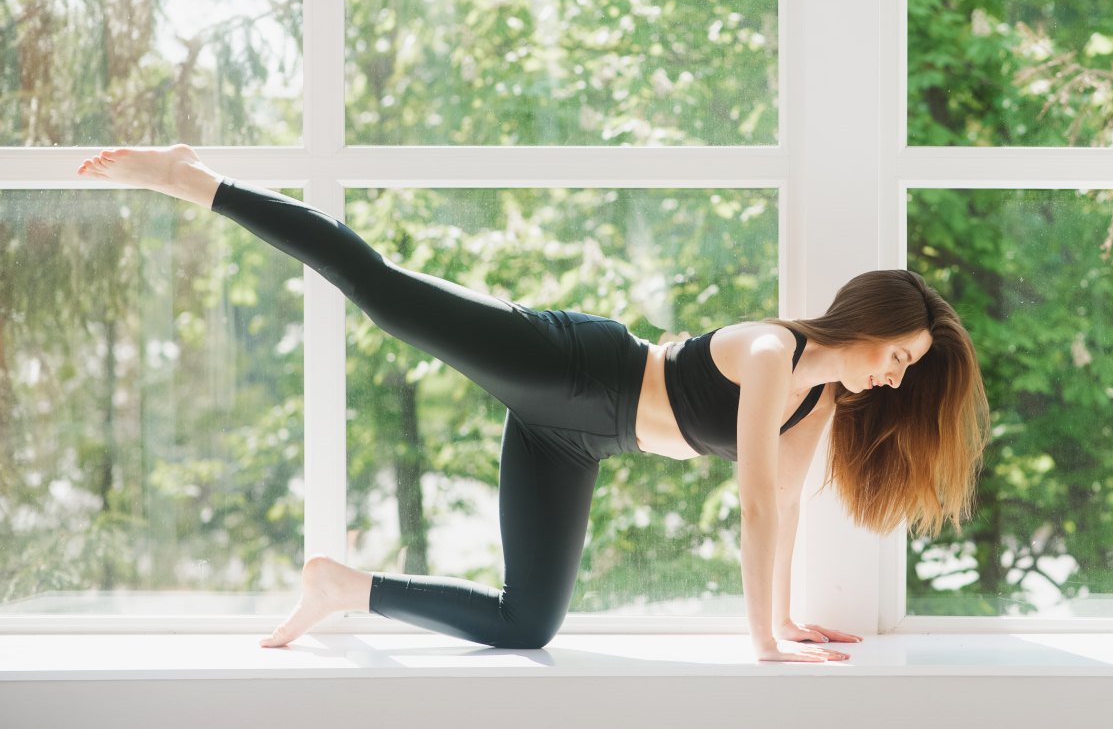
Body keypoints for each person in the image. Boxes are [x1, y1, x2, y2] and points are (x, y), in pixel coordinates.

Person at [76, 144, 991, 664]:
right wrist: (764, 647)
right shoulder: (771, 352)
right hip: (573, 370)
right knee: (382, 290)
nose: (895, 378)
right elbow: (751, 501)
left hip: (579, 442)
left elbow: (787, 507)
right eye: (899, 356)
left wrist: (788, 618)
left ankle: (340, 587)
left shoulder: (818, 402)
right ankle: (193, 180)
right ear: (869, 321)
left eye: (909, 371)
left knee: (529, 626)